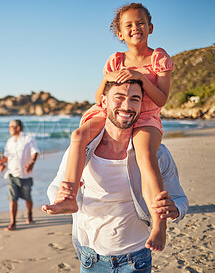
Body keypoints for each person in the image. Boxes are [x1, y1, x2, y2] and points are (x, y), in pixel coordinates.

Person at [48, 2, 174, 252]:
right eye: (128, 25)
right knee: (78, 135)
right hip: (112, 111)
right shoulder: (116, 60)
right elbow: (99, 98)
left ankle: (159, 225)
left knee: (146, 157)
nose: (135, 28)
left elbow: (161, 99)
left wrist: (139, 78)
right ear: (120, 34)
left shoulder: (158, 57)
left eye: (140, 23)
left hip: (145, 115)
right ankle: (70, 196)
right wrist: (108, 78)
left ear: (150, 27)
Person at [43, 79, 188, 273]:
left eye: (134, 99)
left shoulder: (156, 153)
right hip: (91, 261)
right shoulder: (82, 151)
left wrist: (175, 209)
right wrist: (60, 197)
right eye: (119, 98)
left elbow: (180, 198)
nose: (127, 106)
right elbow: (55, 186)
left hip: (137, 260)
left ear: (141, 105)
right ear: (104, 102)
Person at [0, 120, 39, 231]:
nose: (9, 129)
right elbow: (7, 156)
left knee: (27, 198)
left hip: (25, 175)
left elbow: (35, 152)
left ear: (17, 127)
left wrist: (31, 163)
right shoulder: (9, 141)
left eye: (11, 127)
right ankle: (13, 222)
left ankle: (29, 214)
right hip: (12, 174)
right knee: (13, 199)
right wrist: (2, 163)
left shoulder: (28, 139)